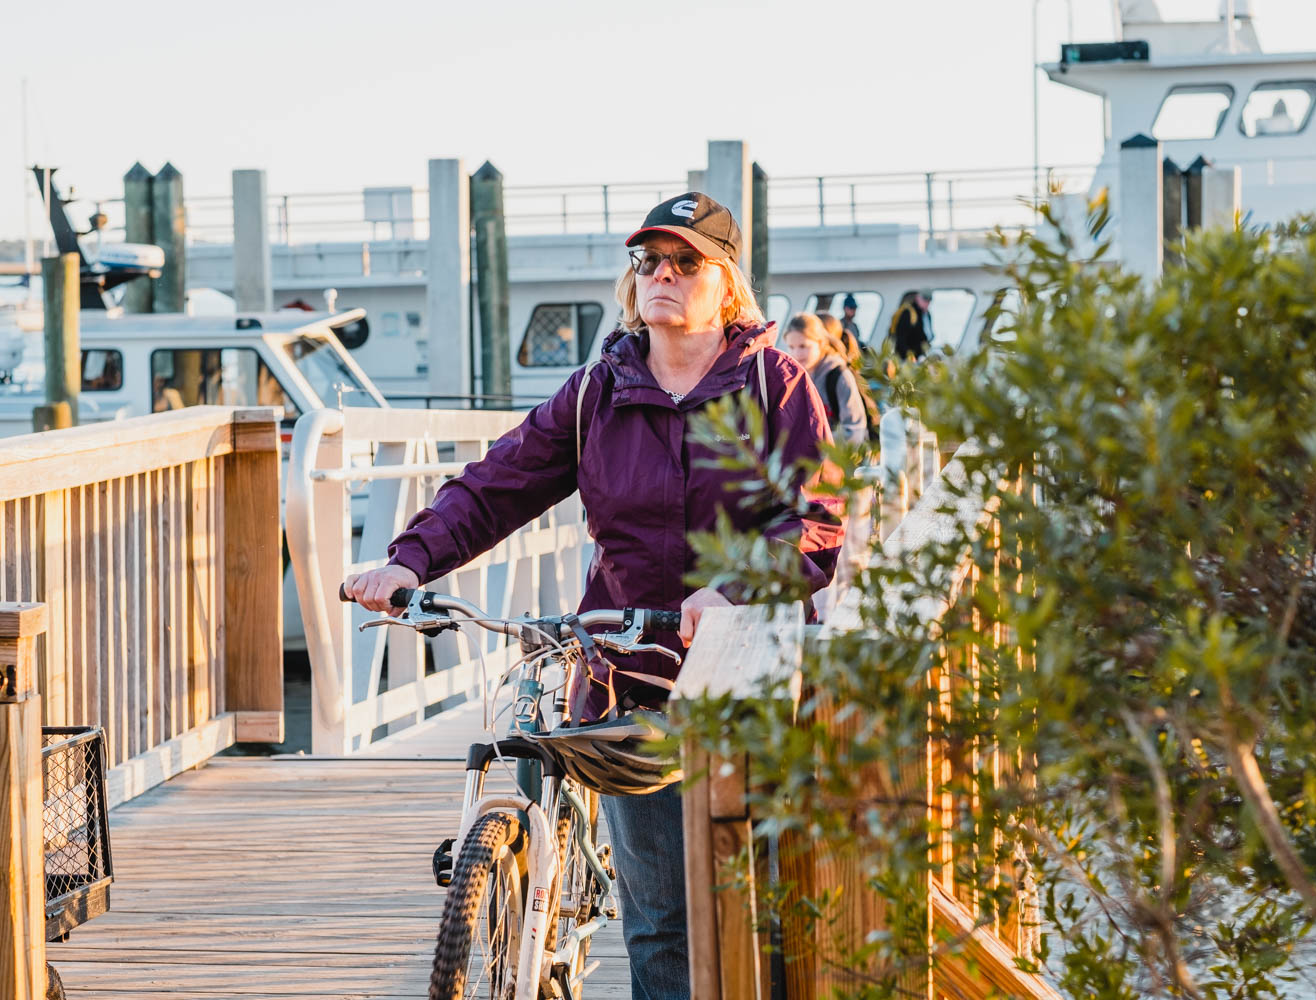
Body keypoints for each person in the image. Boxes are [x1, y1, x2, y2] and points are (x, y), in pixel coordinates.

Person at [344, 192, 839, 1000]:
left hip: (749, 685)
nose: (663, 275)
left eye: (686, 262)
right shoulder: (597, 392)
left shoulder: (773, 384)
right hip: (630, 681)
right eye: (649, 261)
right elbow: (496, 485)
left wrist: (734, 591)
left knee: (761, 916)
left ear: (727, 284)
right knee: (662, 923)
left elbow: (815, 521)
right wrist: (410, 561)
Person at [783, 311, 867, 446]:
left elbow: (855, 430)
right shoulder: (793, 379)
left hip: (836, 456)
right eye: (791, 347)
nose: (797, 354)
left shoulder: (839, 376)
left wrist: (816, 446)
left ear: (821, 343)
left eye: (803, 346)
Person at [890, 288, 935, 360]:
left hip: (920, 355)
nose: (927, 303)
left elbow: (927, 334)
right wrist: (909, 356)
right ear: (917, 298)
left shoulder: (926, 314)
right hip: (906, 357)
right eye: (925, 299)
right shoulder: (907, 313)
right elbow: (900, 338)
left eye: (929, 300)